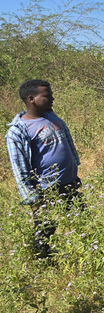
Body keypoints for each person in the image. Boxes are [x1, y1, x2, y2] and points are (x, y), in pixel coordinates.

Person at [5, 80, 81, 258]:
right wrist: (32, 198)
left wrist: (74, 172)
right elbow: (19, 169)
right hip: (46, 189)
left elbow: (67, 144)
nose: (52, 99)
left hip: (68, 182)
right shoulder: (18, 131)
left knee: (82, 219)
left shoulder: (51, 116)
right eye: (47, 96)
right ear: (31, 99)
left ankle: (85, 252)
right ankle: (42, 261)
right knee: (46, 227)